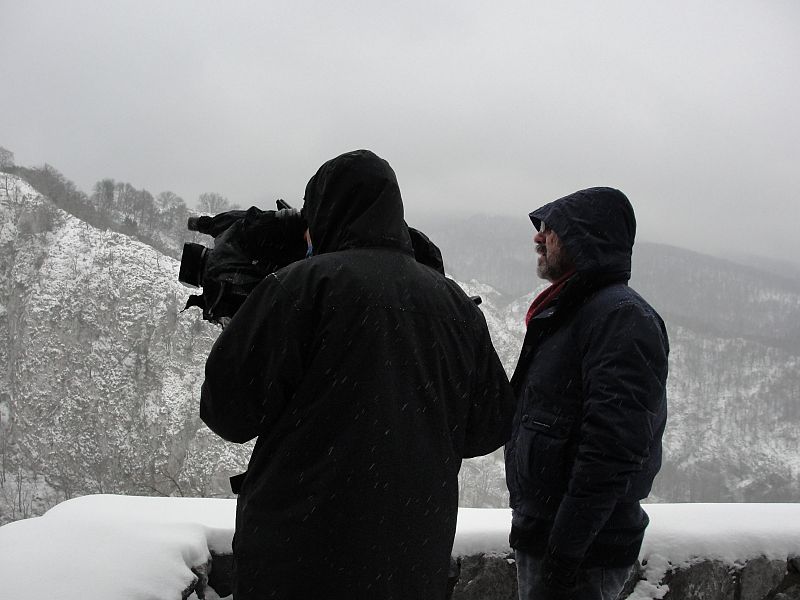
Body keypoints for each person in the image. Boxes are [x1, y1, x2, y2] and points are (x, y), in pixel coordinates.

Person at [200, 149, 515, 599]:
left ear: (323, 214)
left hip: (296, 560)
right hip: (410, 561)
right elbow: (488, 428)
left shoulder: (298, 288)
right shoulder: (456, 305)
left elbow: (226, 413)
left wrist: (242, 320)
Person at [504, 187, 669, 600]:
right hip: (551, 537)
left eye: (550, 229)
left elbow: (612, 448)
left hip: (581, 555)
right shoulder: (571, 312)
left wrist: (564, 553)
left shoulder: (619, 317)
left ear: (584, 239)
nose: (538, 238)